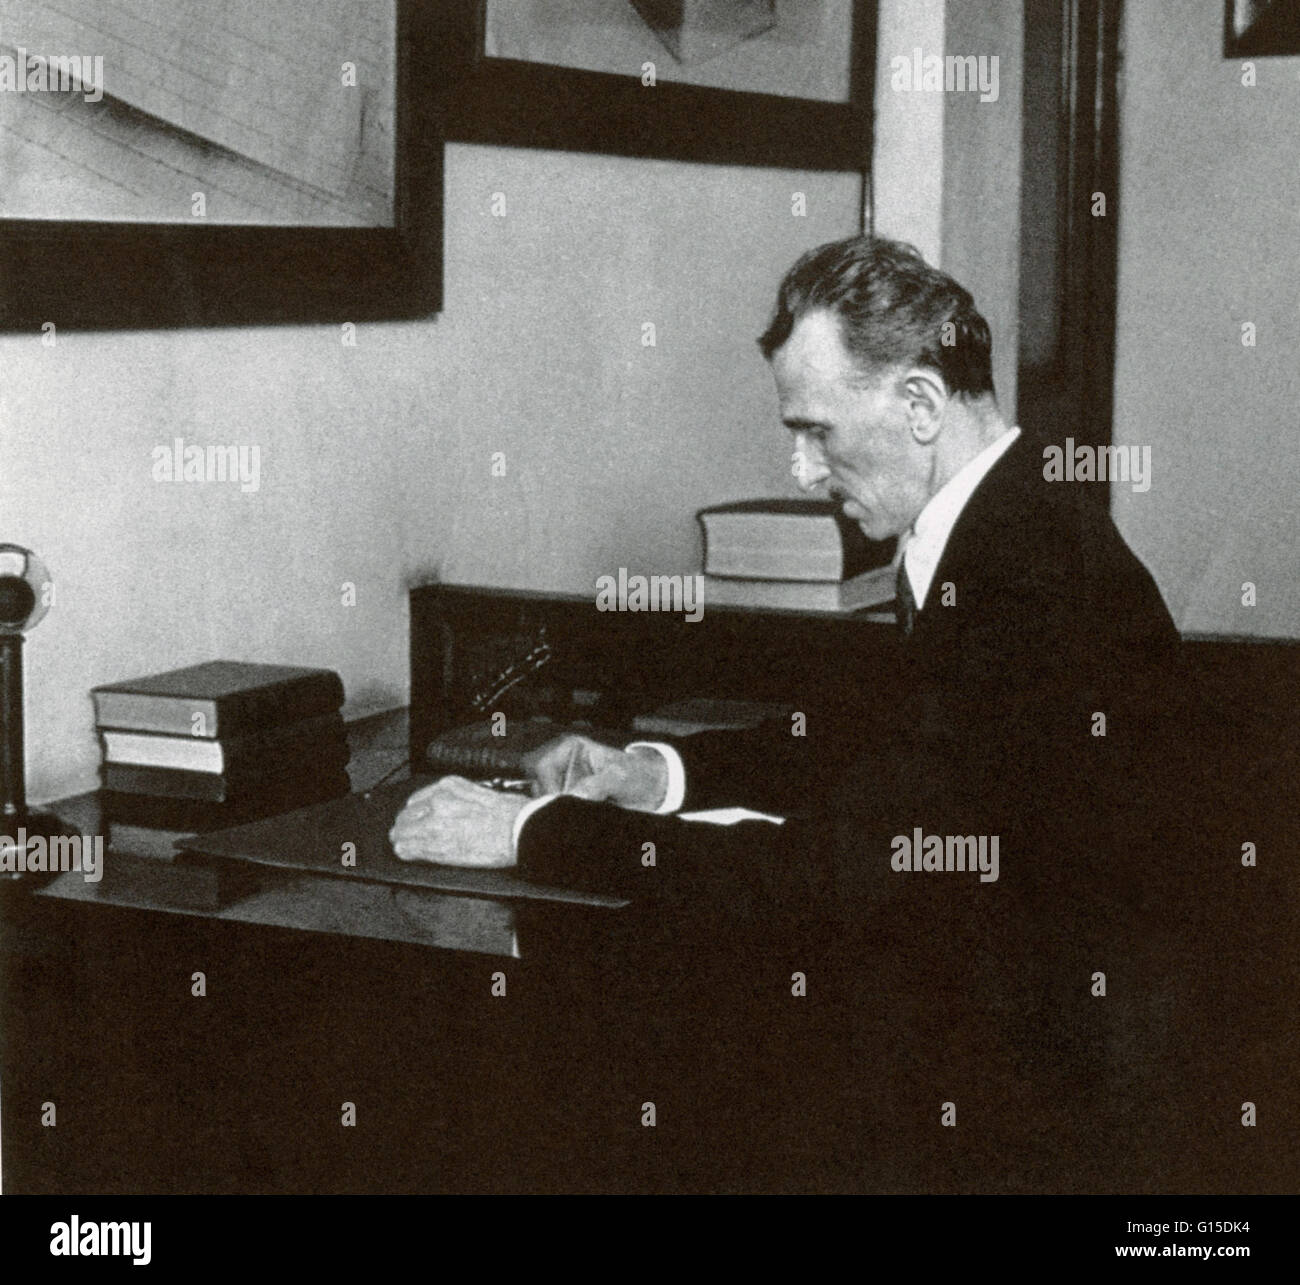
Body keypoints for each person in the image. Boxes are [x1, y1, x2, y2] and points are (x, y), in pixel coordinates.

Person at [389, 236, 1181, 1189]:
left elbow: (842, 874)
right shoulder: (1002, 522)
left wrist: (533, 830)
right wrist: (658, 772)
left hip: (1035, 1107)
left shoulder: (1027, 579)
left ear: (922, 404)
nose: (803, 470)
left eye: (818, 432)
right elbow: (882, 739)